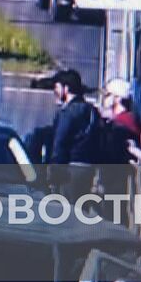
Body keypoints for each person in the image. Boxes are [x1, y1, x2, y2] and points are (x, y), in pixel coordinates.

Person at [49, 69, 102, 200]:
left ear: (66, 89)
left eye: (57, 87)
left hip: (70, 169)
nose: (55, 92)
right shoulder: (92, 111)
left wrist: (54, 169)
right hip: (89, 169)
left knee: (67, 210)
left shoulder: (68, 113)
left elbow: (60, 141)